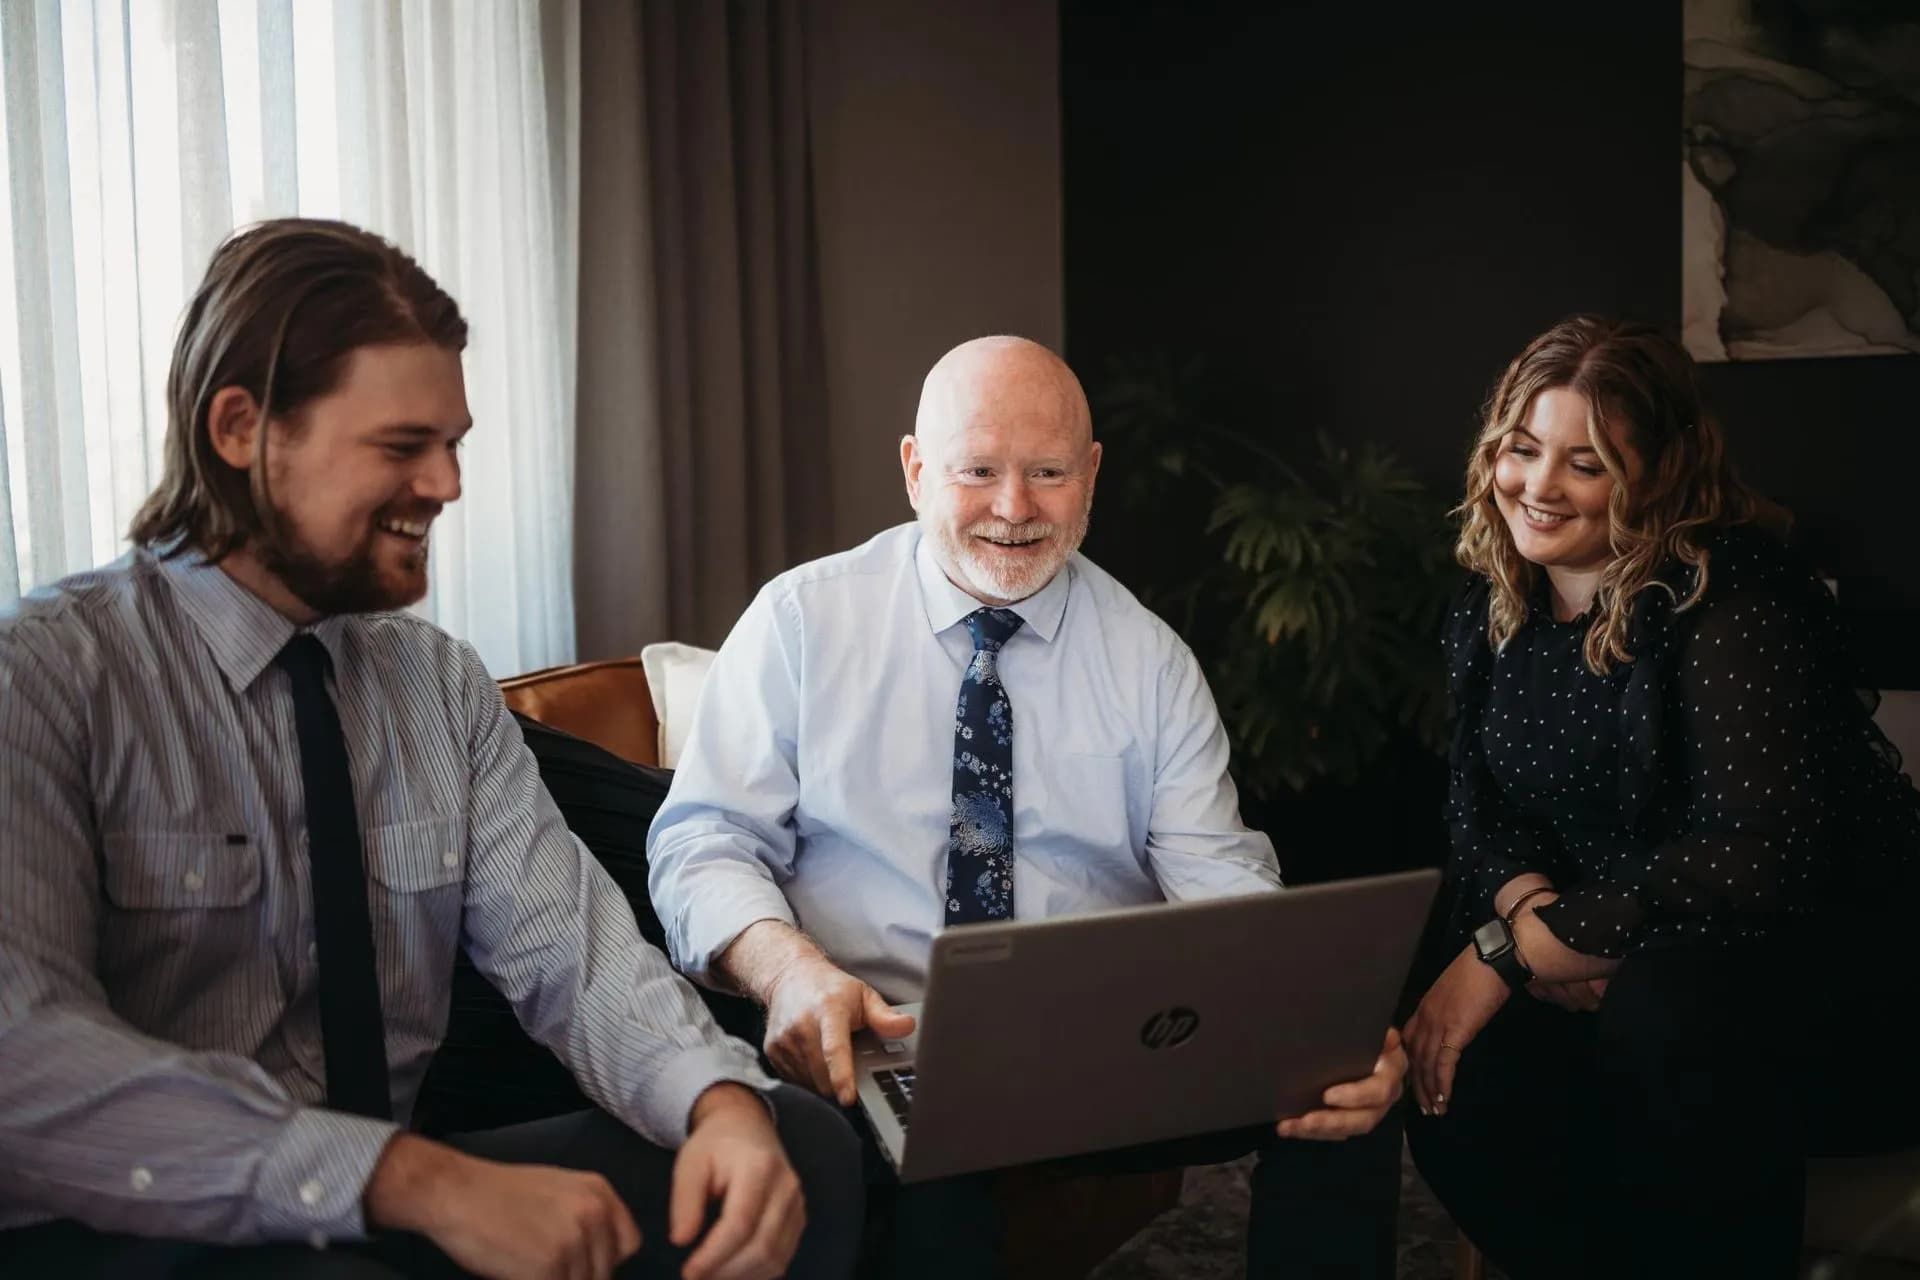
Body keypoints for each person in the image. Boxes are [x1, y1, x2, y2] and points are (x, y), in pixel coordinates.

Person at [0, 218, 862, 1280]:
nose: (450, 484)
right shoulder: (42, 678)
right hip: (134, 1228)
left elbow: (575, 957)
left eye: (453, 442)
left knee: (799, 1150)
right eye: (404, 446)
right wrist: (424, 1181)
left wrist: (717, 1098)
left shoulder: (435, 682)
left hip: (398, 1197)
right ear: (242, 429)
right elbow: (23, 1057)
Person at [647, 335, 1409, 1279]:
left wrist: (1309, 1017)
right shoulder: (801, 624)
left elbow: (1223, 880)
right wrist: (789, 973)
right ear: (916, 470)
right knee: (938, 1182)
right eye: (979, 471)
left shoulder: (1149, 659)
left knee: (1347, 1102)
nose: (1014, 510)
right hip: (884, 1037)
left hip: (1102, 1045)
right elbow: (701, 845)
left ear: (1091, 476)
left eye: (1048, 472)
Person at [1402, 315, 1920, 1279]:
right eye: (1523, 449)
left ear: (1656, 475)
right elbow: (1477, 804)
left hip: (1814, 964)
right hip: (1605, 939)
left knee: (1665, 1011)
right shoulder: (1491, 601)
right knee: (1457, 1058)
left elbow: (1754, 856)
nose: (1539, 487)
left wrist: (1514, 952)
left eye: (1585, 464)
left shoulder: (1730, 600)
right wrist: (1527, 916)